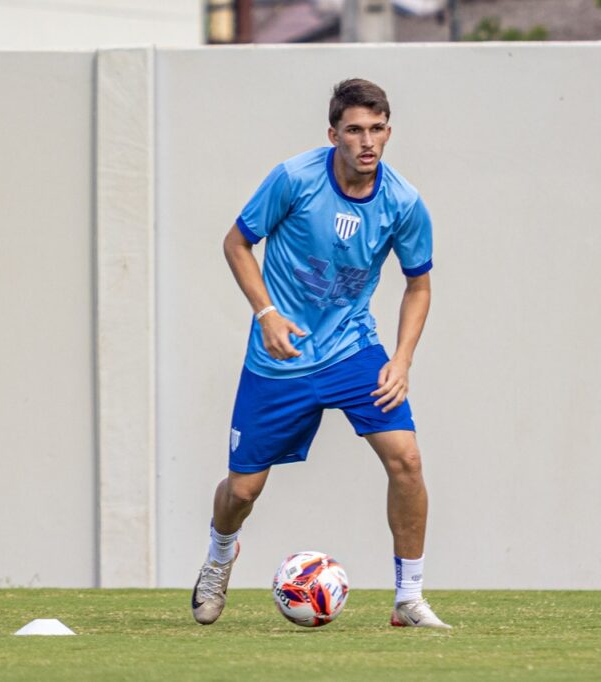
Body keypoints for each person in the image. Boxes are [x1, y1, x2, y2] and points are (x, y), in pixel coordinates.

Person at [192, 78, 450, 630]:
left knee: (406, 460)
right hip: (282, 355)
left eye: (377, 129)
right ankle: (219, 557)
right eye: (354, 130)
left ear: (388, 132)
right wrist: (266, 314)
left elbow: (419, 285)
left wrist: (401, 359)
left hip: (353, 350)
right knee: (242, 490)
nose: (367, 142)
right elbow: (236, 243)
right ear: (333, 133)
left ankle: (408, 597)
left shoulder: (403, 202)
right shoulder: (294, 179)